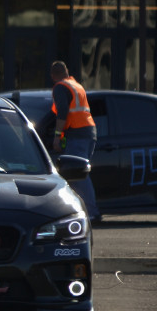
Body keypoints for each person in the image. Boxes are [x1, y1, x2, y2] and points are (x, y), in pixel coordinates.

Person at [50, 60, 100, 223]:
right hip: (89, 131)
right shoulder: (76, 85)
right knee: (79, 173)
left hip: (77, 133)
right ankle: (84, 211)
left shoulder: (60, 87)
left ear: (53, 76)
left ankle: (92, 213)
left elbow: (62, 111)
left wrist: (57, 135)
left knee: (77, 175)